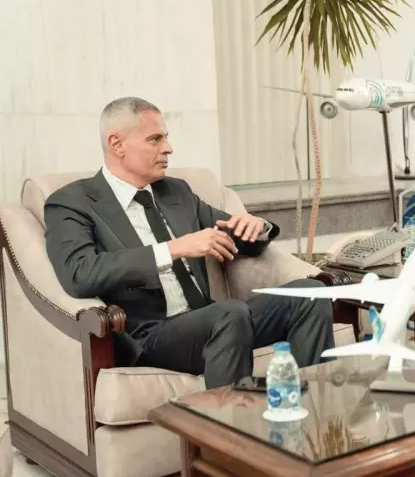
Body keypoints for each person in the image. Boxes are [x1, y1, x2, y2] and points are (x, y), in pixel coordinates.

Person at [44, 96, 334, 389]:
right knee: (229, 313)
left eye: (166, 137)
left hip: (213, 322)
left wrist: (258, 227)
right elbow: (80, 274)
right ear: (117, 144)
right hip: (149, 337)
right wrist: (173, 249)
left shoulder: (175, 192)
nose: (168, 148)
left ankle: (315, 406)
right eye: (155, 139)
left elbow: (237, 236)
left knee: (309, 294)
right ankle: (229, 417)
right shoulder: (73, 202)